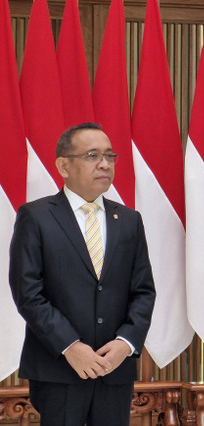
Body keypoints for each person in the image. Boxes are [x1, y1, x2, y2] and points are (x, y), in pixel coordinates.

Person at [9, 123, 156, 426]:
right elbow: (28, 293)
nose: (104, 164)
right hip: (59, 368)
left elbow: (143, 291)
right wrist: (70, 347)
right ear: (64, 165)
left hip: (113, 368)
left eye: (109, 156)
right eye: (92, 155)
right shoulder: (36, 216)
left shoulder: (129, 220)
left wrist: (125, 343)